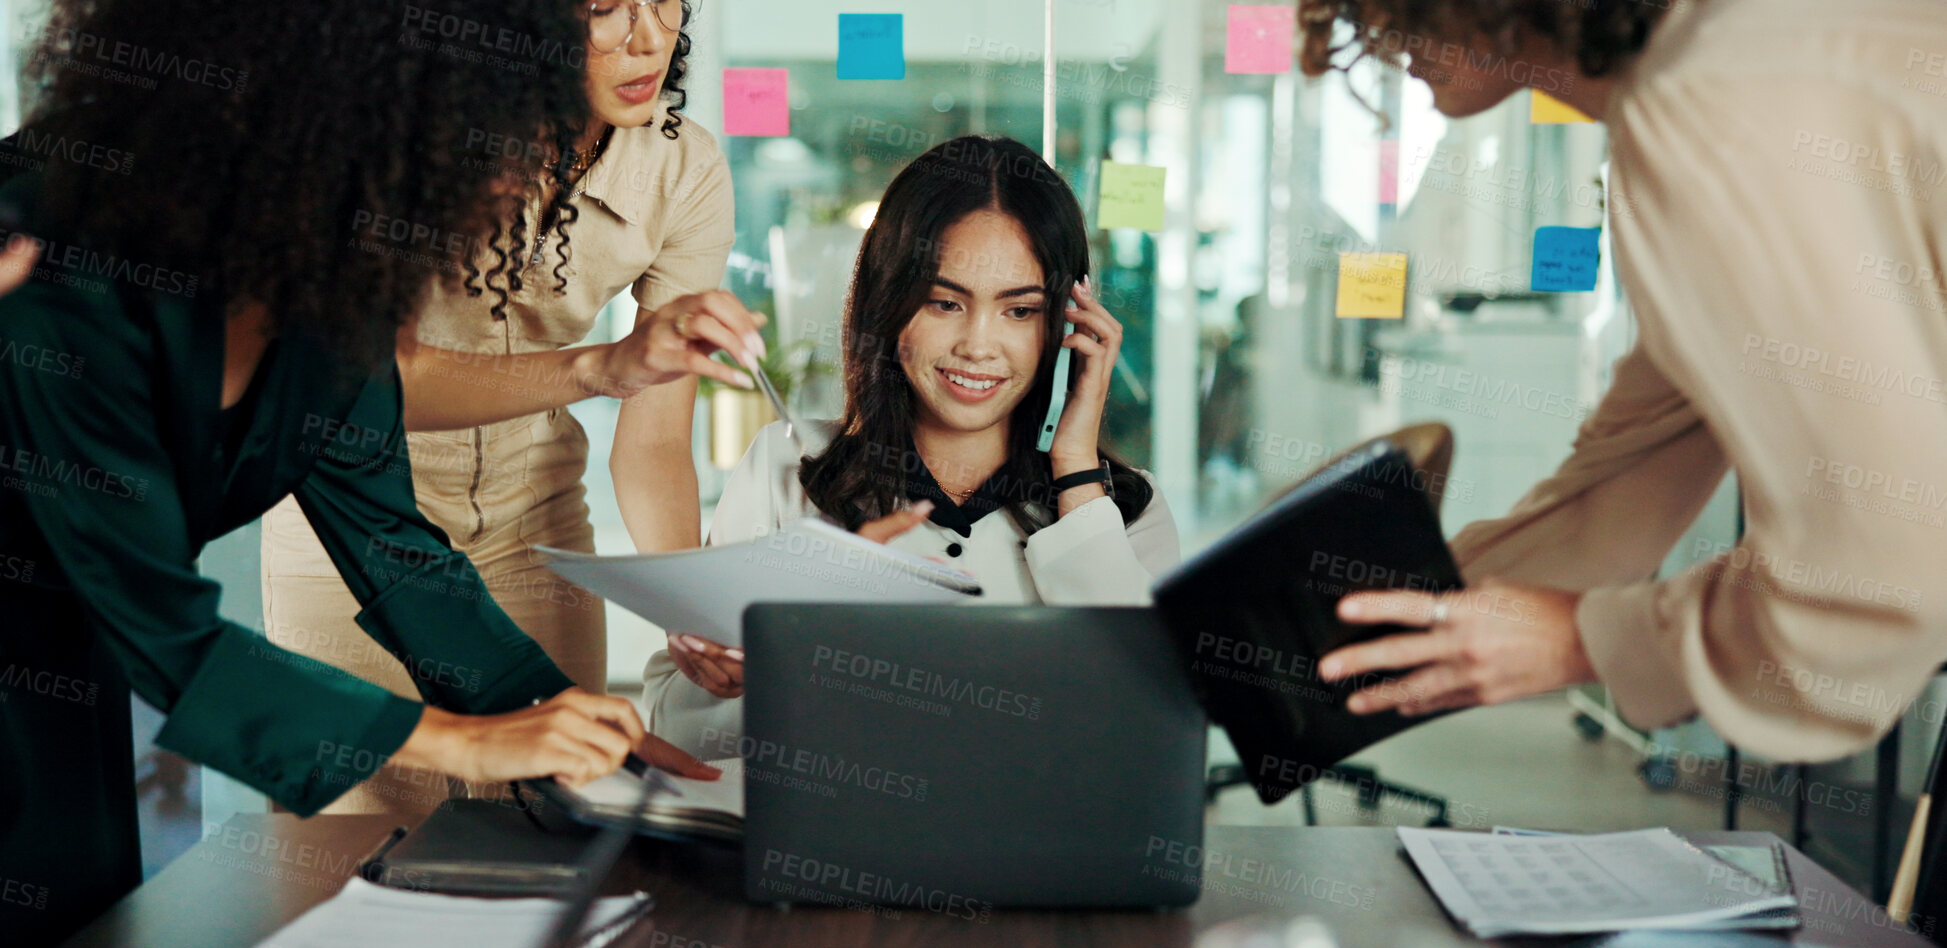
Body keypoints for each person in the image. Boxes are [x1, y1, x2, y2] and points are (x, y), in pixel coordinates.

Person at [0, 0, 717, 948]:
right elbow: (168, 635)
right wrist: (466, 746)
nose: (515, 178)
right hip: (62, 648)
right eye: (486, 140)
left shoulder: (323, 295)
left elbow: (396, 548)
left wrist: (573, 731)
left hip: (60, 681)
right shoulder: (64, 267)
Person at [1297, 0, 1947, 760]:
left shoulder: (1709, 101)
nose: (1375, 33)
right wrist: (1369, 624)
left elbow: (1880, 563)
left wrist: (1582, 640)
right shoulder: (1705, 74)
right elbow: (1631, 467)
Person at [257, 0, 767, 816]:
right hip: (353, 525)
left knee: (549, 830)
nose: (648, 38)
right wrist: (601, 365)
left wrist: (685, 608)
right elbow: (367, 386)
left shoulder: (685, 167)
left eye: (666, 1)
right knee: (347, 855)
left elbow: (655, 434)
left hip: (538, 530)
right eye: (605, 9)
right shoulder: (394, 139)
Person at [635, 135, 1181, 752]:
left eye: (1020, 311)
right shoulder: (788, 467)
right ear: (889, 303)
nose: (978, 345)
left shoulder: (1126, 507)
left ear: (1067, 325)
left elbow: (1145, 728)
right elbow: (680, 733)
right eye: (945, 302)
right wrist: (742, 677)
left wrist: (1076, 469)